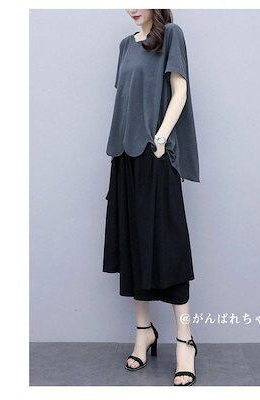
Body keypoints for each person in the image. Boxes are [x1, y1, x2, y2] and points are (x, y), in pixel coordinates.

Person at [103, 9, 200, 386]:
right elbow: (126, 101)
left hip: (155, 153)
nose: (133, 6)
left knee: (168, 247)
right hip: (124, 156)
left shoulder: (171, 35)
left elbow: (180, 92)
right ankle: (144, 331)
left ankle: (185, 341)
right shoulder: (125, 46)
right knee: (134, 244)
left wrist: (161, 138)